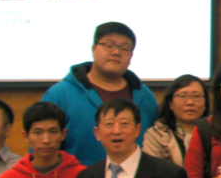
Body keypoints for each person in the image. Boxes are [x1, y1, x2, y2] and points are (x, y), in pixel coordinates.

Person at [40, 22, 160, 167]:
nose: (116, 52)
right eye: (109, 45)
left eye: (124, 48)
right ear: (93, 49)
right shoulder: (60, 95)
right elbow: (40, 150)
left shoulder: (145, 96)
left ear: (131, 56)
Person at [143, 76, 209, 167]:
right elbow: (152, 173)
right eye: (182, 96)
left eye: (196, 96)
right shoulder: (156, 135)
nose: (190, 102)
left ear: (205, 103)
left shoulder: (217, 132)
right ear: (170, 104)